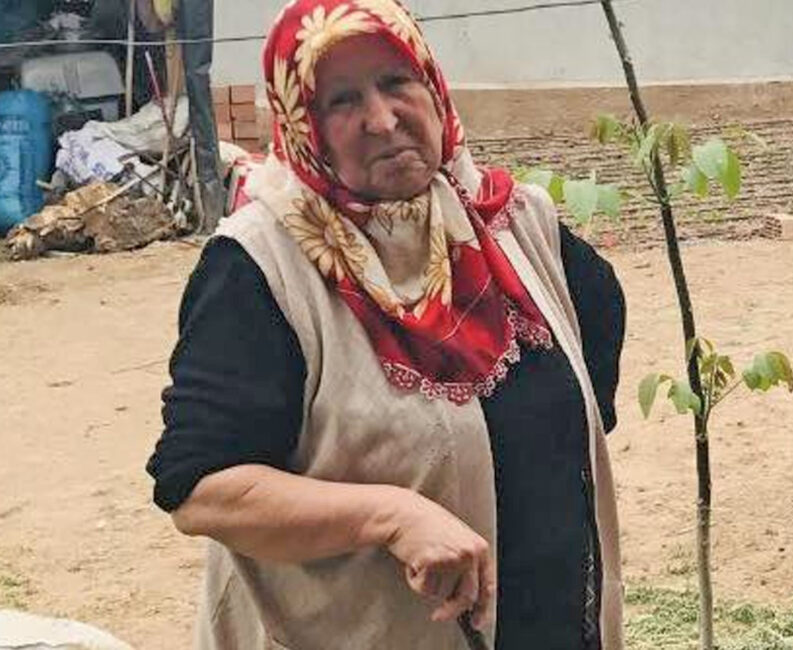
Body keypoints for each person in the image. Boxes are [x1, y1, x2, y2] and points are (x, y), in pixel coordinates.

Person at [145, 1, 626, 648]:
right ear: (301, 121)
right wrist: (389, 515)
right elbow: (200, 489)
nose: (381, 118)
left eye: (397, 82)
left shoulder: (512, 225)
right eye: (342, 100)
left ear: (433, 86)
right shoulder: (261, 266)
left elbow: (595, 335)